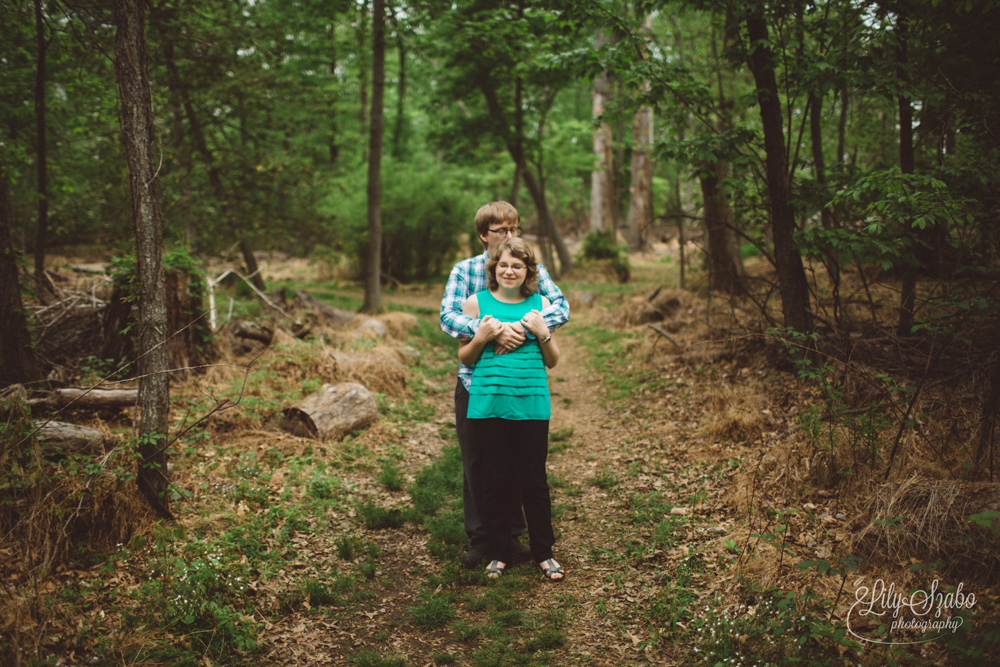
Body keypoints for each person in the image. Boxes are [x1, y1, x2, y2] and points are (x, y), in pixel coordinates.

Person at [440, 202, 570, 569]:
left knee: (520, 464)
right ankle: (482, 539)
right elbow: (448, 316)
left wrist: (521, 329)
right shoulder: (465, 271)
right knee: (479, 462)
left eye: (514, 229)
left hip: (523, 383)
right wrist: (489, 329)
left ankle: (511, 536)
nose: (509, 237)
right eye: (500, 230)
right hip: (475, 382)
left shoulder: (532, 267)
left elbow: (560, 306)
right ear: (484, 235)